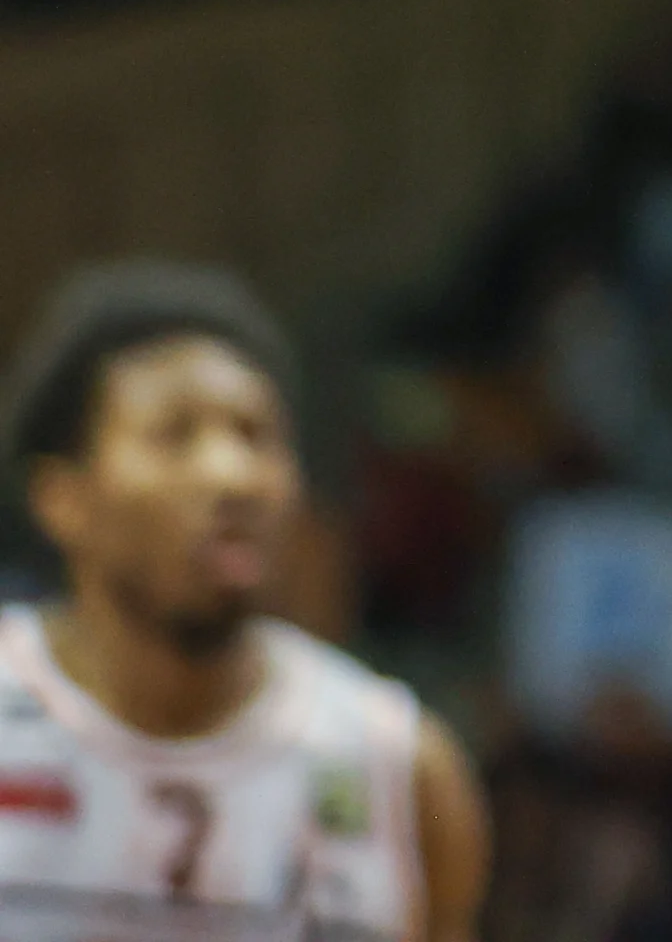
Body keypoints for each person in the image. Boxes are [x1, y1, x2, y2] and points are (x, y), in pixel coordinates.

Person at [1, 260, 487, 942]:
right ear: (63, 499)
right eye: (174, 435)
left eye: (257, 436)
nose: (232, 476)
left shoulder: (403, 769)